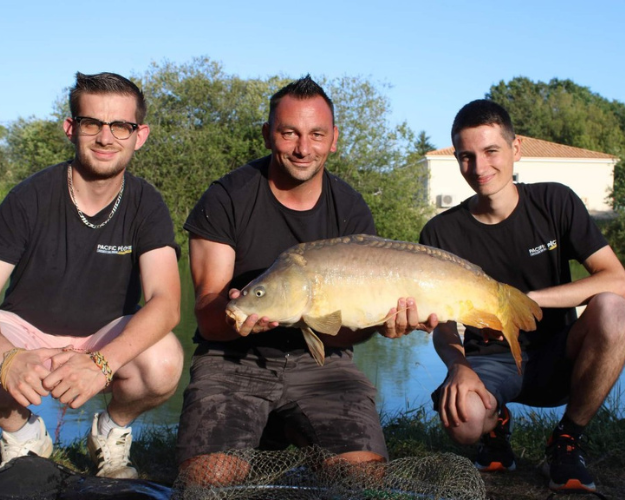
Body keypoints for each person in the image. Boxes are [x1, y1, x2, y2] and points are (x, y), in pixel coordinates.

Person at [176, 75, 433, 485]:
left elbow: (345, 338)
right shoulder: (227, 198)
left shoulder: (349, 208)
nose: (303, 148)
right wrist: (236, 316)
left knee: (361, 479)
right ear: (267, 135)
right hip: (232, 362)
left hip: (323, 365)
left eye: (316, 134)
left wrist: (380, 325)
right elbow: (208, 316)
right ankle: (266, 429)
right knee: (209, 481)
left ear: (333, 139)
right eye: (289, 133)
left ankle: (281, 429)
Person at [0, 72, 184, 479]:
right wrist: (6, 357)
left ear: (140, 134)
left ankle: (111, 431)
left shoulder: (147, 203)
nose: (105, 137)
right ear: (70, 128)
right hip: (26, 333)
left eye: (121, 126)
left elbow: (166, 303)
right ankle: (23, 430)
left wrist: (101, 363)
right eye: (91, 123)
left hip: (105, 337)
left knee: (165, 360)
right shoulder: (29, 196)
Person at [419, 99, 625, 493]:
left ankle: (567, 440)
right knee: (464, 423)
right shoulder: (440, 234)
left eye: (490, 151)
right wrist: (457, 365)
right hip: (490, 362)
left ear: (515, 150)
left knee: (613, 310)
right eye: (466, 157)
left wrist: (525, 301)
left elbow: (617, 280)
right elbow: (442, 322)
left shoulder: (555, 202)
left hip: (557, 355)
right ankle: (494, 427)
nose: (479, 168)